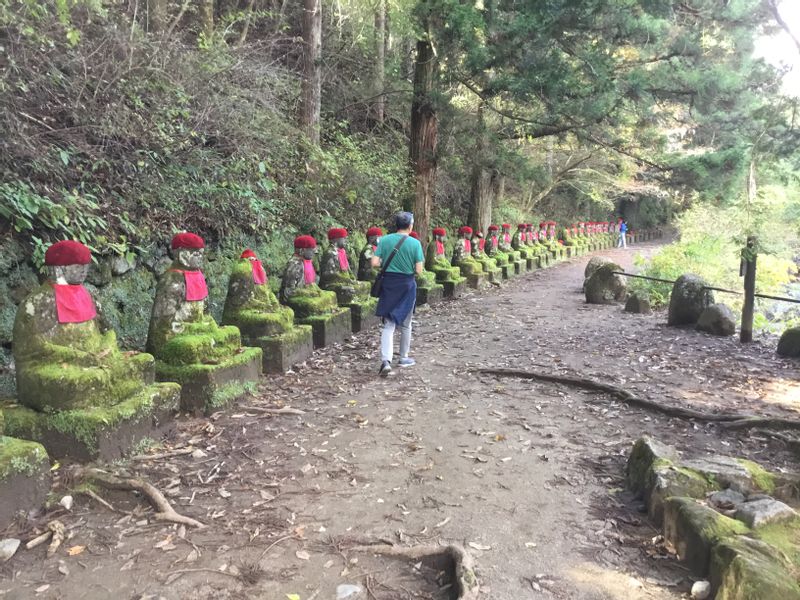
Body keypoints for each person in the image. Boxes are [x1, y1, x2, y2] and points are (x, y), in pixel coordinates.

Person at [371, 211, 425, 377]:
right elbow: (419, 270)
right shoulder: (415, 243)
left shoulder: (385, 240)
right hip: (407, 286)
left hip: (389, 284)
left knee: (389, 324)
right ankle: (403, 357)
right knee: (406, 323)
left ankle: (386, 361)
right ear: (410, 226)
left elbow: (374, 263)